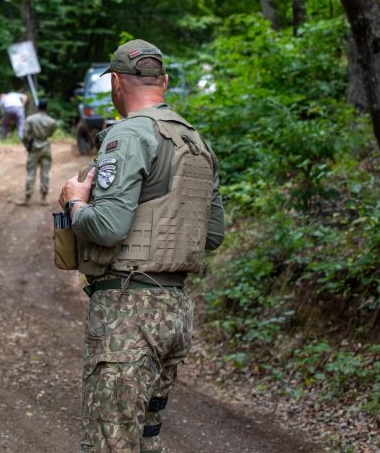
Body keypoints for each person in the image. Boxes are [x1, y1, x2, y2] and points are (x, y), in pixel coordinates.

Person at [57, 39, 224, 452]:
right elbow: (212, 235)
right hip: (175, 311)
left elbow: (108, 227)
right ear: (163, 82)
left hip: (128, 314)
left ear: (116, 83)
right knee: (146, 439)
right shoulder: (194, 141)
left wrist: (75, 203)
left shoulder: (130, 135)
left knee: (110, 444)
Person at [22, 98, 56, 204]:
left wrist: (27, 145)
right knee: (45, 173)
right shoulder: (51, 121)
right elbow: (51, 134)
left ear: (38, 107)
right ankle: (44, 197)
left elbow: (25, 135)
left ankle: (28, 197)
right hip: (46, 148)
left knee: (31, 173)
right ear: (46, 107)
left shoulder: (30, 119)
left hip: (34, 148)